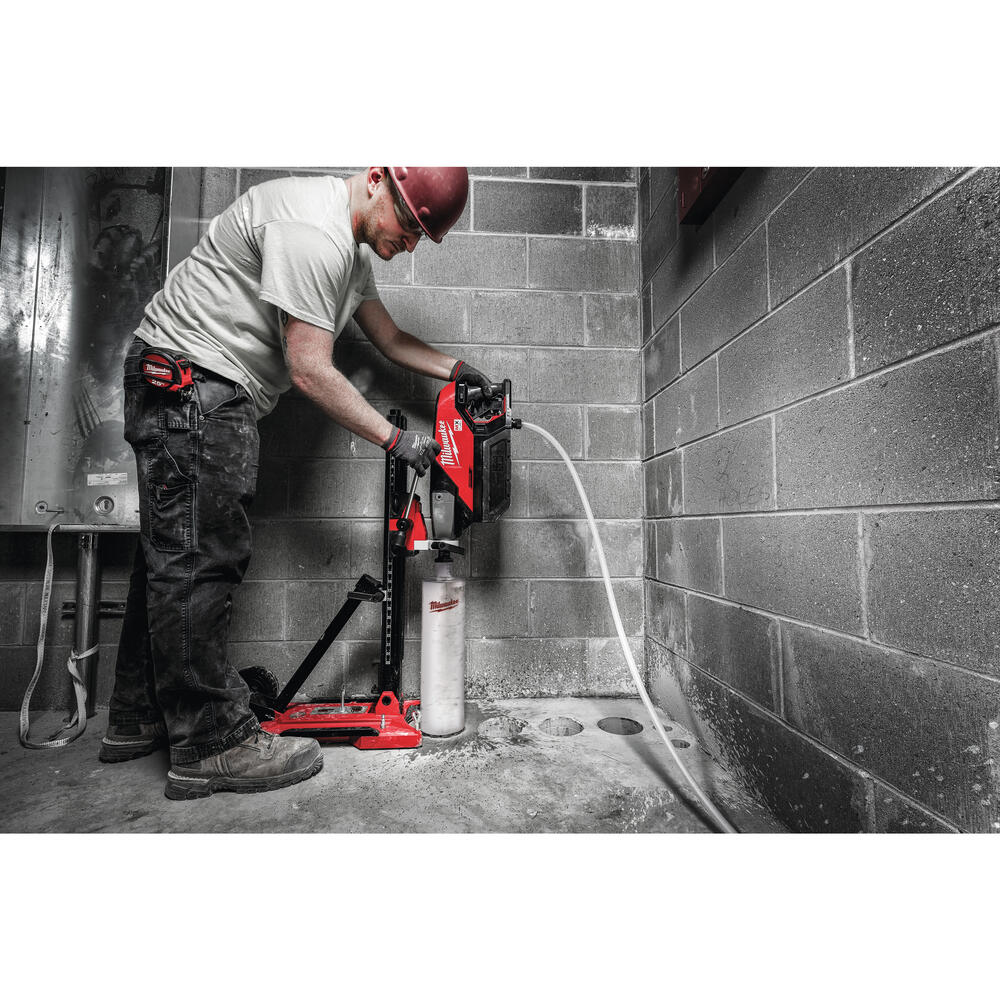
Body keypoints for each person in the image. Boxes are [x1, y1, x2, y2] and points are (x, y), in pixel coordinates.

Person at [100, 166, 494, 800]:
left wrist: (458, 369)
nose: (410, 243)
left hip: (188, 386)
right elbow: (310, 370)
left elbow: (389, 339)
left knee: (172, 562)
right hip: (194, 388)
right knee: (202, 563)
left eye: (422, 236)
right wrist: (398, 440)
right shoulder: (316, 233)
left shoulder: (350, 253)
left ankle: (137, 716)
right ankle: (210, 744)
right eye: (409, 224)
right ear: (376, 179)